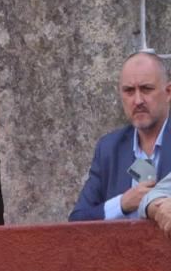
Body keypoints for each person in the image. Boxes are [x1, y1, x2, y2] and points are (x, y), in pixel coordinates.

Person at [70, 51, 171, 223]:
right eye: (129, 91)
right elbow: (77, 220)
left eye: (146, 89)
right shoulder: (109, 148)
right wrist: (123, 203)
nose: (138, 100)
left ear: (168, 92)